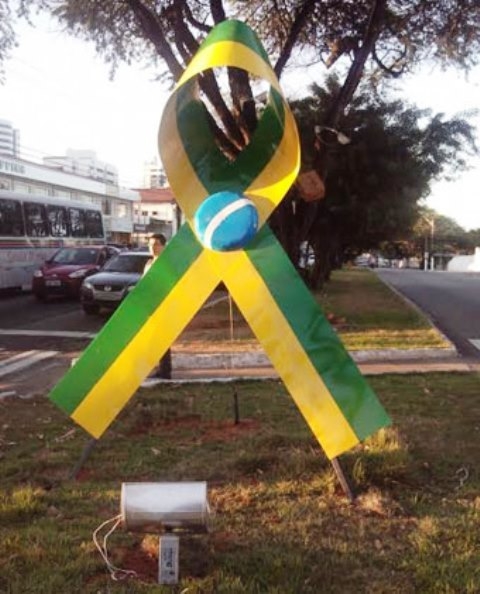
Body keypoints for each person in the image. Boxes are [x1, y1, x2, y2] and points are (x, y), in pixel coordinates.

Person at [144, 233, 172, 379]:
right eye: (150, 245)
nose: (152, 248)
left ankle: (165, 371)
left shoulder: (166, 264)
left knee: (162, 338)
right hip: (149, 305)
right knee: (153, 338)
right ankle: (161, 368)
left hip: (162, 306)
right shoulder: (149, 263)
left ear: (163, 246)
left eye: (156, 244)